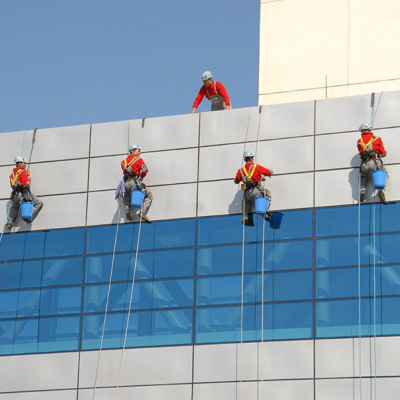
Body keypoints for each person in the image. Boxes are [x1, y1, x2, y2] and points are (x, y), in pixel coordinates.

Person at [234, 150, 273, 225]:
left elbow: (236, 181)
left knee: (245, 201)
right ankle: (264, 212)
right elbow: (268, 172)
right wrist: (271, 171)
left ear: (244, 159)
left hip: (248, 192)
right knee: (268, 194)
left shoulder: (241, 171)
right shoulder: (256, 167)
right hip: (257, 190)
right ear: (252, 158)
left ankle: (245, 216)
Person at [6, 156, 43, 228]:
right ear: (19, 163)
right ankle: (27, 215)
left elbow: (13, 183)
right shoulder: (22, 172)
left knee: (15, 207)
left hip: (15, 195)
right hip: (23, 194)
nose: (25, 165)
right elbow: (26, 185)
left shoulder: (12, 174)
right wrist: (28, 178)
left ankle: (10, 222)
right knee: (39, 203)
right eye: (24, 163)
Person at [357, 122, 388, 204]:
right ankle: (381, 191)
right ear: (369, 129)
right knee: (384, 172)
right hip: (375, 163)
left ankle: (362, 190)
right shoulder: (377, 139)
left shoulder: (359, 141)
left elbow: (361, 153)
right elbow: (383, 153)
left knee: (363, 176)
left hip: (364, 164)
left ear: (363, 131)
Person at [121, 144, 153, 222]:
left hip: (126, 183)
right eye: (139, 150)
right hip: (135, 183)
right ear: (133, 151)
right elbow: (145, 170)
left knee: (126, 195)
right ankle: (142, 211)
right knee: (149, 195)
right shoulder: (139, 160)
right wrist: (141, 176)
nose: (140, 153)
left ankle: (127, 208)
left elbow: (125, 171)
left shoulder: (123, 162)